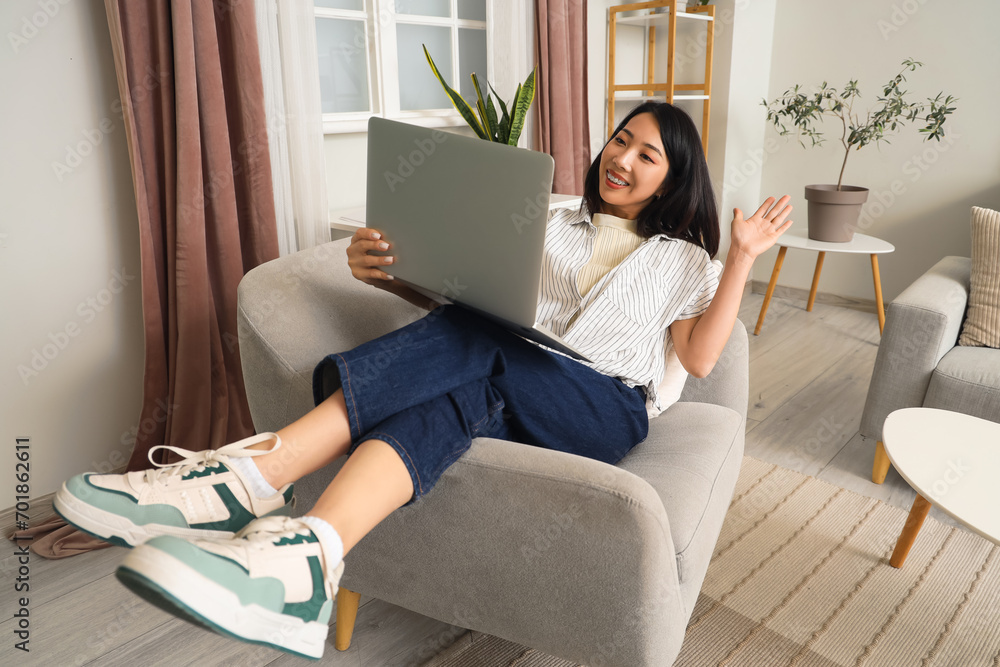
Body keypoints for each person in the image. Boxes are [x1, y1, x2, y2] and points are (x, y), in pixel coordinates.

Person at [52, 101, 792, 660]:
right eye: (620, 139)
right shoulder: (552, 221)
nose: (622, 157)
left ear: (673, 180)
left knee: (485, 346)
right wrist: (396, 276)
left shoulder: (687, 260)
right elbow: (475, 309)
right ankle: (307, 558)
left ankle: (244, 475)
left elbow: (696, 359)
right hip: (508, 375)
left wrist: (745, 257)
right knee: (452, 398)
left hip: (601, 407)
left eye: (648, 154)